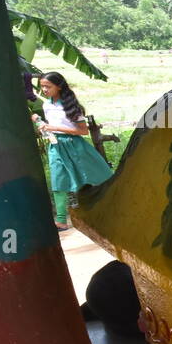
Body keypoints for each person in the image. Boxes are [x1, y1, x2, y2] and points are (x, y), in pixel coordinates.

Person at [32, 72, 112, 230]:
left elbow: (83, 131)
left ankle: (108, 207)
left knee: (92, 177)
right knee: (58, 179)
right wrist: (40, 122)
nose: (44, 90)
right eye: (42, 87)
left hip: (75, 146)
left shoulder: (71, 106)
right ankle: (61, 220)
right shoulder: (46, 105)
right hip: (56, 146)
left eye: (48, 86)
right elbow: (50, 126)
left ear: (59, 86)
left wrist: (54, 127)